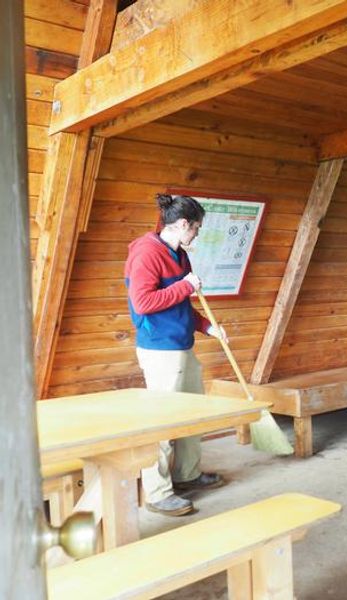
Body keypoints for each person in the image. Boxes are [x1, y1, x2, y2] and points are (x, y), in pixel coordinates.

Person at [125, 193, 228, 516]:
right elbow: (143, 303)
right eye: (196, 228)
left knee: (191, 415)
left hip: (183, 345)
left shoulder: (180, 255)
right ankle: (157, 493)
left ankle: (187, 475)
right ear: (183, 224)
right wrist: (185, 286)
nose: (197, 234)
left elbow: (180, 303)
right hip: (159, 350)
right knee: (162, 423)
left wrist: (208, 327)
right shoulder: (145, 253)